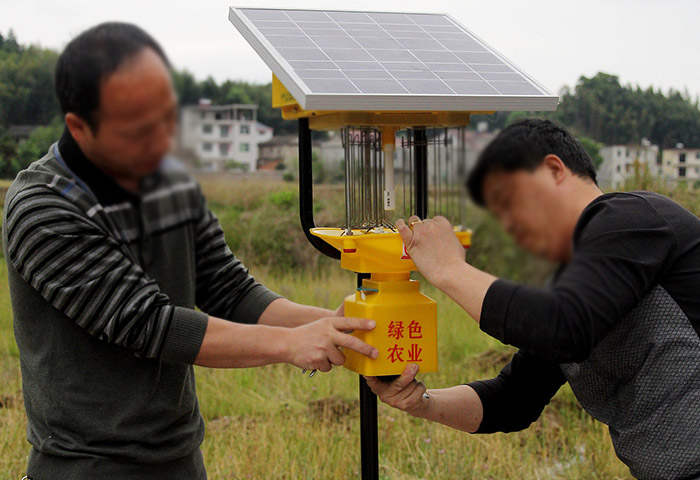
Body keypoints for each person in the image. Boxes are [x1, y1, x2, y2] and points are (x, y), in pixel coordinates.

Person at [2, 22, 379, 480]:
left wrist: (331, 324)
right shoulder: (43, 207)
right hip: (87, 466)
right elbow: (150, 325)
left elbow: (228, 288)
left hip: (179, 458)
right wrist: (291, 343)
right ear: (80, 126)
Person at [366, 119, 700, 480]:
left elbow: (561, 328)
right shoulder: (566, 286)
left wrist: (447, 268)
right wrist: (422, 403)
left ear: (553, 170)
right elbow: (513, 399)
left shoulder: (631, 217)